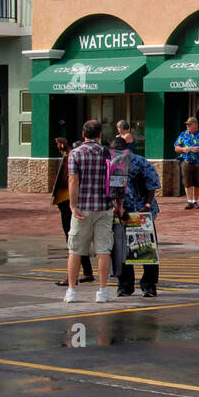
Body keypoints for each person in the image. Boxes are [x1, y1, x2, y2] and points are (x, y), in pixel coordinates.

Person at [65, 119, 114, 302]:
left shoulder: (75, 154)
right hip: (104, 207)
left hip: (83, 208)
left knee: (75, 249)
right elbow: (115, 179)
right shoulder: (107, 153)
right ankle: (102, 290)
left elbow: (73, 180)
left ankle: (71, 290)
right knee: (103, 250)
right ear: (100, 134)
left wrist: (72, 205)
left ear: (83, 134)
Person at [110, 136, 160, 297]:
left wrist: (146, 205)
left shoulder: (139, 162)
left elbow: (152, 183)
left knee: (145, 249)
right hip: (121, 213)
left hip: (140, 211)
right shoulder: (111, 164)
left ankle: (149, 286)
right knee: (120, 250)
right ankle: (125, 285)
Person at [52, 137, 94, 284]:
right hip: (66, 204)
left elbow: (72, 181)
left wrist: (67, 149)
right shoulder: (71, 158)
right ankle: (87, 272)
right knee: (77, 239)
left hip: (72, 205)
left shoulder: (74, 161)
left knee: (74, 240)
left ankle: (73, 277)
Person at [174, 116, 199, 209]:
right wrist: (183, 149)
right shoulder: (183, 135)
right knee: (187, 181)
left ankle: (195, 201)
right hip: (187, 161)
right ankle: (189, 201)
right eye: (187, 125)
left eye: (189, 125)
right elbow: (176, 147)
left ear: (195, 125)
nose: (188, 127)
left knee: (198, 182)